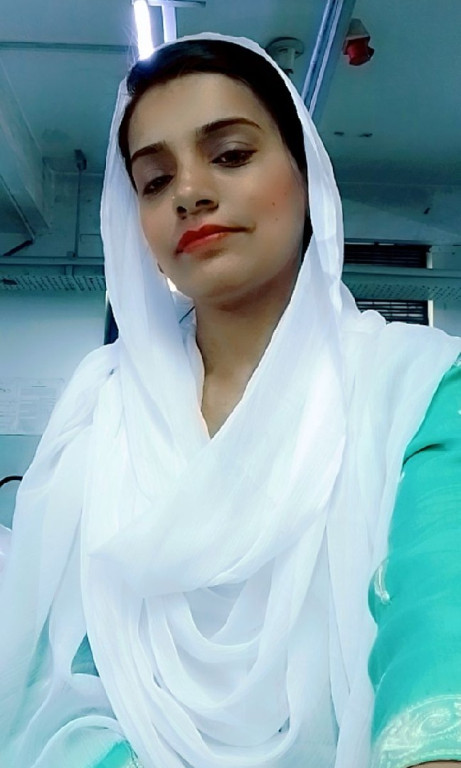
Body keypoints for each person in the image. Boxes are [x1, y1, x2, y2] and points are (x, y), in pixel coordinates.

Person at [0, 32, 460, 768]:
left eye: (232, 154)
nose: (189, 192)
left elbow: (439, 632)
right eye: (154, 181)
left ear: (305, 173)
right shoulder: (99, 411)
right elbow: (57, 673)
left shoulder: (416, 386)